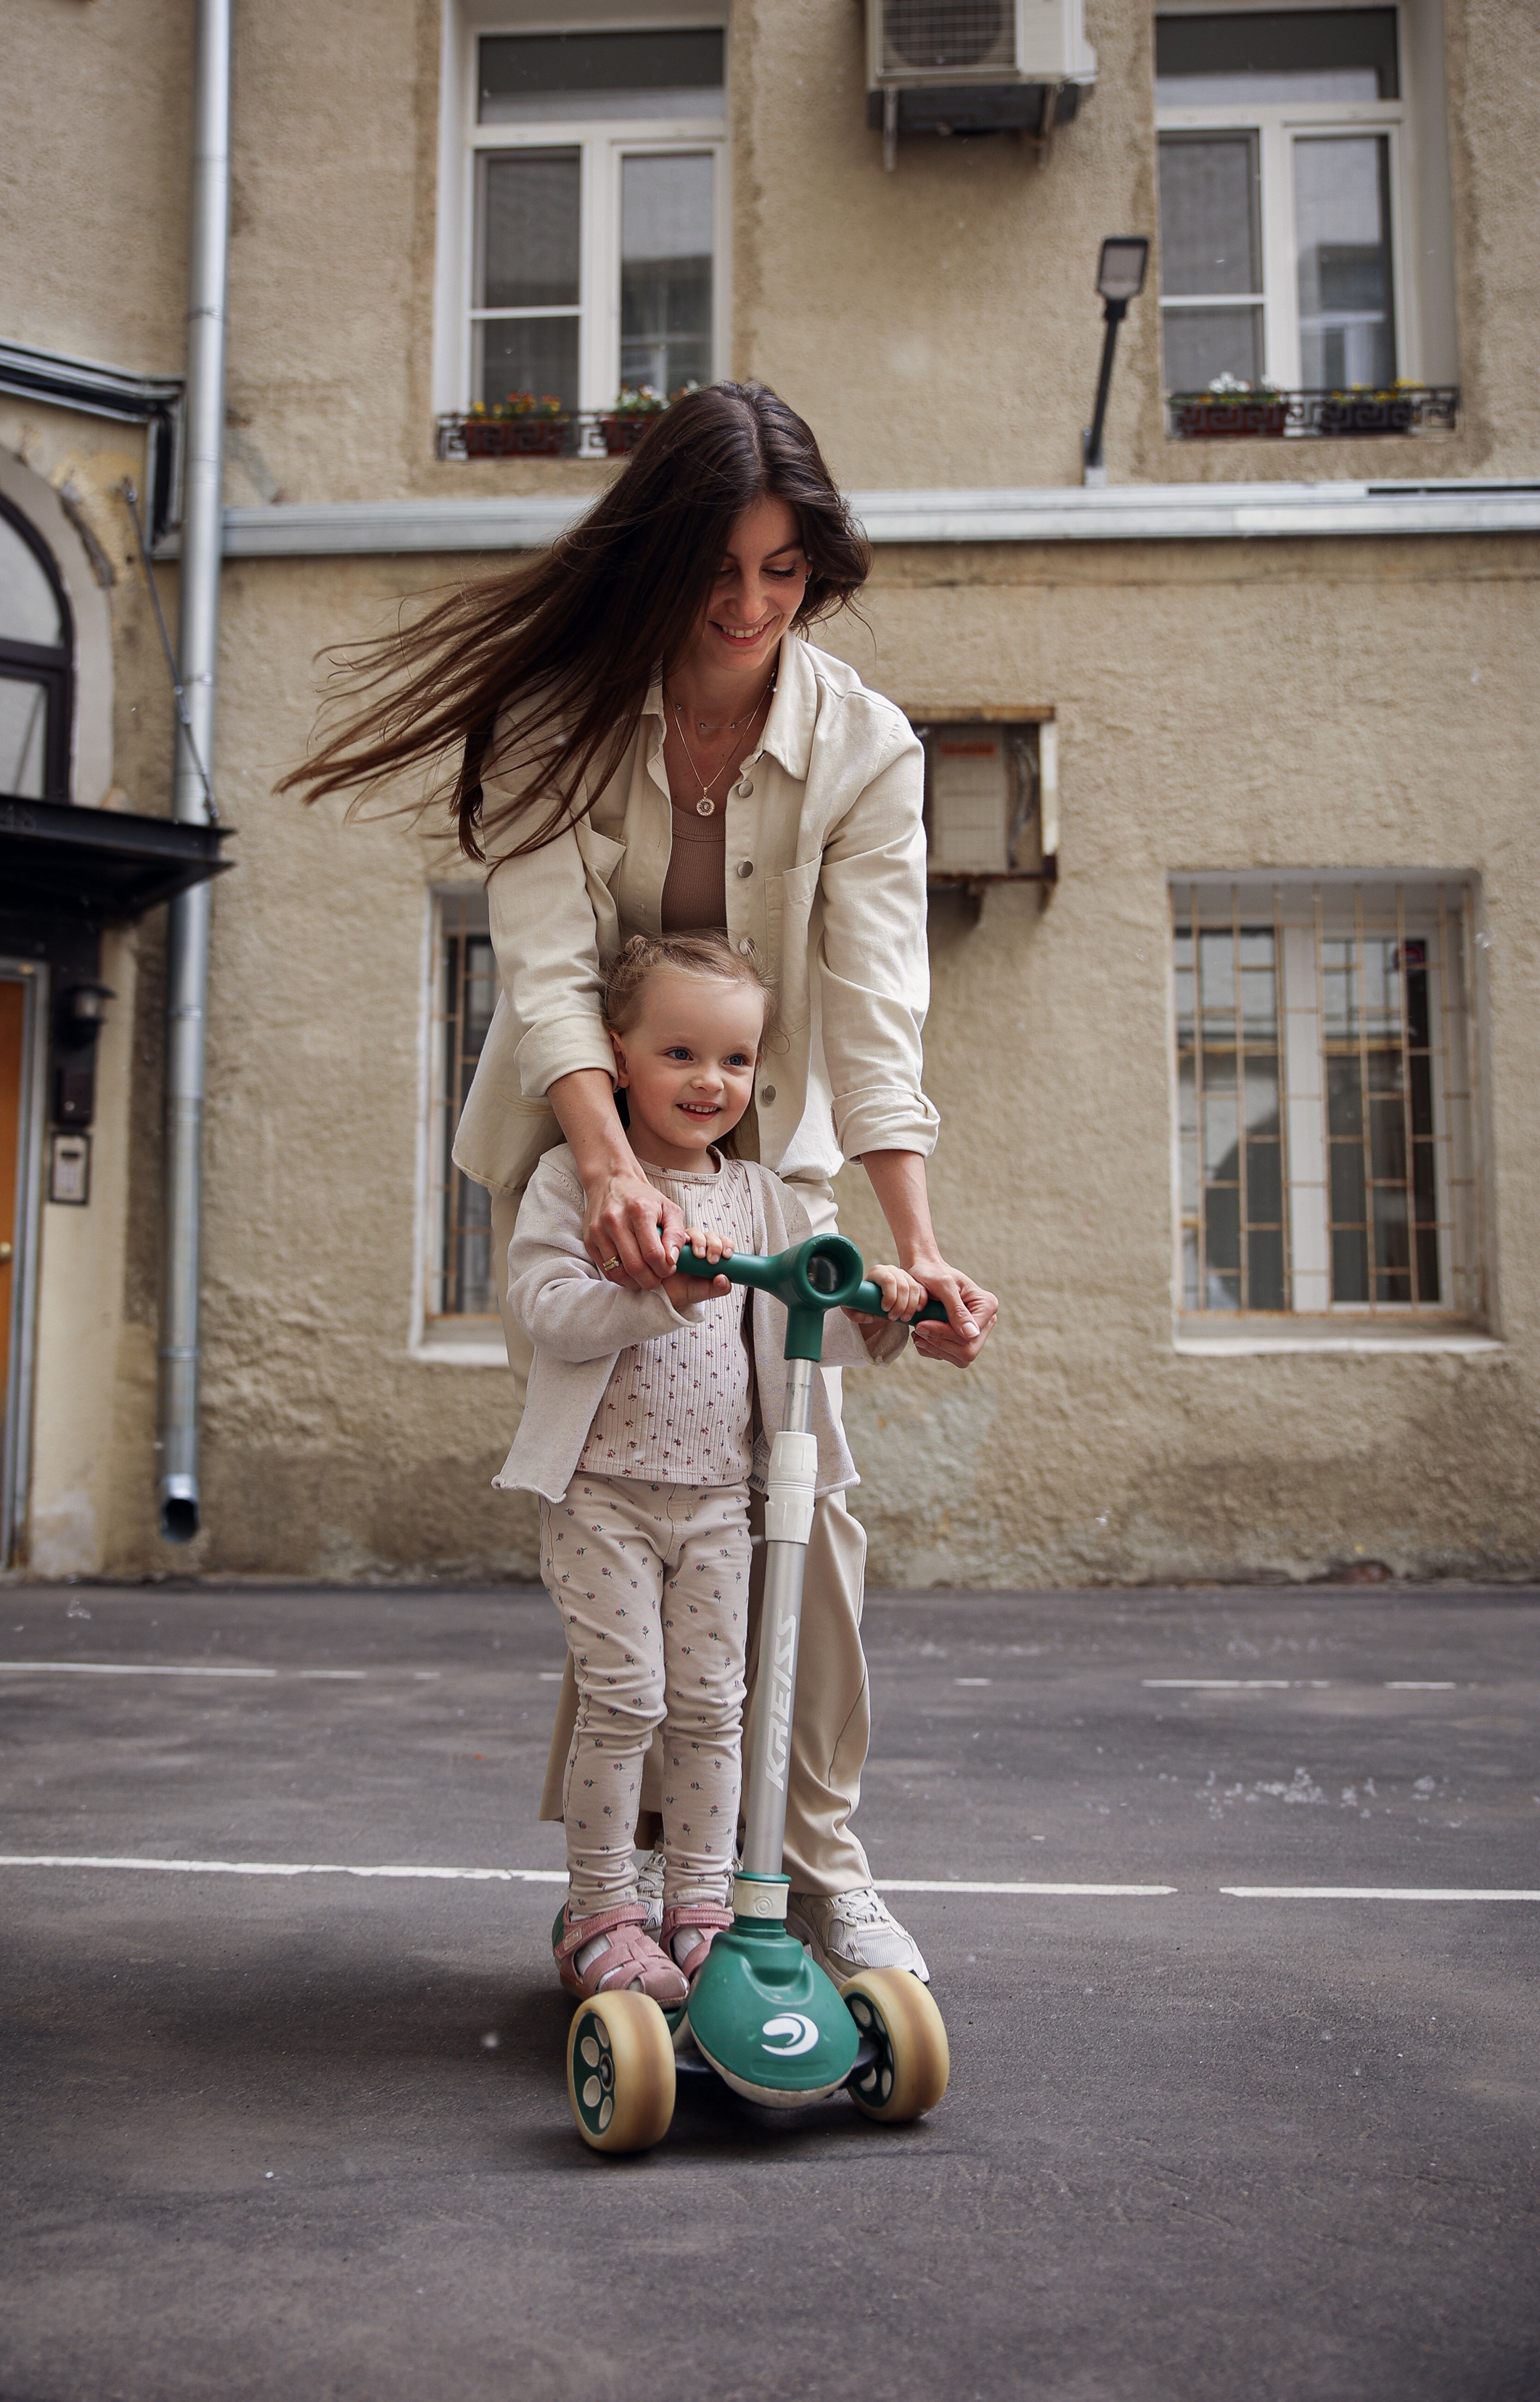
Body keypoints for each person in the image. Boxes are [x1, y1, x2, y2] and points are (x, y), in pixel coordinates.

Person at [282, 378, 998, 1987]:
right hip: (572, 1157)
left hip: (761, 1179)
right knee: (624, 1496)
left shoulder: (865, 747)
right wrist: (609, 1176)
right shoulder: (560, 709)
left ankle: (802, 1865)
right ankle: (626, 1883)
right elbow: (541, 972)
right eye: (716, 570)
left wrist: (920, 1250)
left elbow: (880, 1017)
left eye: (783, 573)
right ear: (655, 557)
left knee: (799, 1507)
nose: (748, 607)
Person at [499, 932, 924, 2004]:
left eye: (734, 1061)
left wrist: (884, 1310)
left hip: (721, 1504)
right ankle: (600, 1912)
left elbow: (802, 1325)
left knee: (712, 1706)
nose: (709, 1082)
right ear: (617, 1055)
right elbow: (545, 1311)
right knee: (626, 1701)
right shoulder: (573, 1180)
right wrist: (655, 1293)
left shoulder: (767, 1200)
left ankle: (699, 1905)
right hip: (602, 1497)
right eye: (680, 1053)